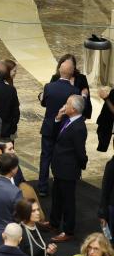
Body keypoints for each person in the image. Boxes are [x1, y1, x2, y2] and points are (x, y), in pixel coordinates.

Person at [37, 56, 80, 196]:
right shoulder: (75, 91)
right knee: (61, 158)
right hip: (64, 130)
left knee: (45, 158)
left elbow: (44, 103)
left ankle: (42, 187)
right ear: (72, 72)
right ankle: (59, 186)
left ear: (59, 70)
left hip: (49, 128)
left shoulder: (49, 87)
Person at [50, 94, 88, 243]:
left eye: (67, 104)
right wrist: (58, 118)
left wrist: (81, 165)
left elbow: (80, 152)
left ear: (73, 109)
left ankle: (68, 230)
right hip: (60, 167)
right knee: (57, 197)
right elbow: (55, 137)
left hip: (68, 169)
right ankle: (54, 223)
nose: (64, 106)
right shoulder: (68, 120)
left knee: (68, 202)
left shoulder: (78, 127)